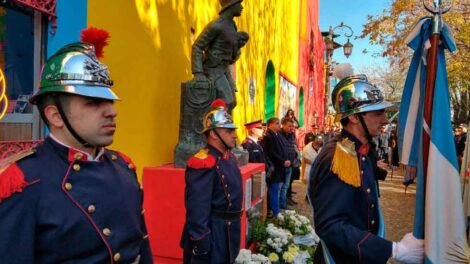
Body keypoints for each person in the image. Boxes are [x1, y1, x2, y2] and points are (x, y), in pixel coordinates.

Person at [0, 42, 152, 263]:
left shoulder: (124, 168)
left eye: (110, 101)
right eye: (94, 103)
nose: (112, 112)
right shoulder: (24, 181)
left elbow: (142, 249)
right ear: (55, 116)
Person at [309, 74, 424, 263]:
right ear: (354, 117)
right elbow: (330, 225)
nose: (386, 120)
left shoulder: (360, 149)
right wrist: (393, 250)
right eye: (378, 113)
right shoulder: (338, 155)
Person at [180, 99, 243, 264]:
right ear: (213, 134)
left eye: (233, 130)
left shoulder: (229, 158)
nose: (234, 135)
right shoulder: (204, 162)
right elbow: (197, 209)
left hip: (229, 231)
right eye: (228, 131)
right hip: (213, 234)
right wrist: (201, 244)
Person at [192, 0, 249, 114]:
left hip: (224, 68)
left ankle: (222, 128)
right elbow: (197, 46)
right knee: (226, 101)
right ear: (231, 6)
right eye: (239, 3)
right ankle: (214, 130)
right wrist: (198, 73)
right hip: (213, 68)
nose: (241, 7)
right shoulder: (217, 25)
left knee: (233, 102)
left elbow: (229, 49)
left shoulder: (232, 26)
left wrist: (236, 50)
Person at [261, 117, 289, 217]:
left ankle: (275, 210)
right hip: (274, 168)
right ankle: (275, 212)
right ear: (270, 125)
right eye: (277, 123)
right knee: (274, 190)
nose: (279, 125)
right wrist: (282, 161)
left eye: (279, 123)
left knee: (276, 189)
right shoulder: (268, 136)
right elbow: (271, 153)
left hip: (279, 167)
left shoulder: (277, 135)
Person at [278, 117, 298, 208]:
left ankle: (283, 204)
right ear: (283, 125)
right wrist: (283, 161)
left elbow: (294, 149)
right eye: (289, 126)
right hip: (281, 165)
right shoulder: (278, 134)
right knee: (280, 187)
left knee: (286, 186)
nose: (291, 128)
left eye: (292, 126)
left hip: (290, 165)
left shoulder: (292, 135)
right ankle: (277, 206)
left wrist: (292, 160)